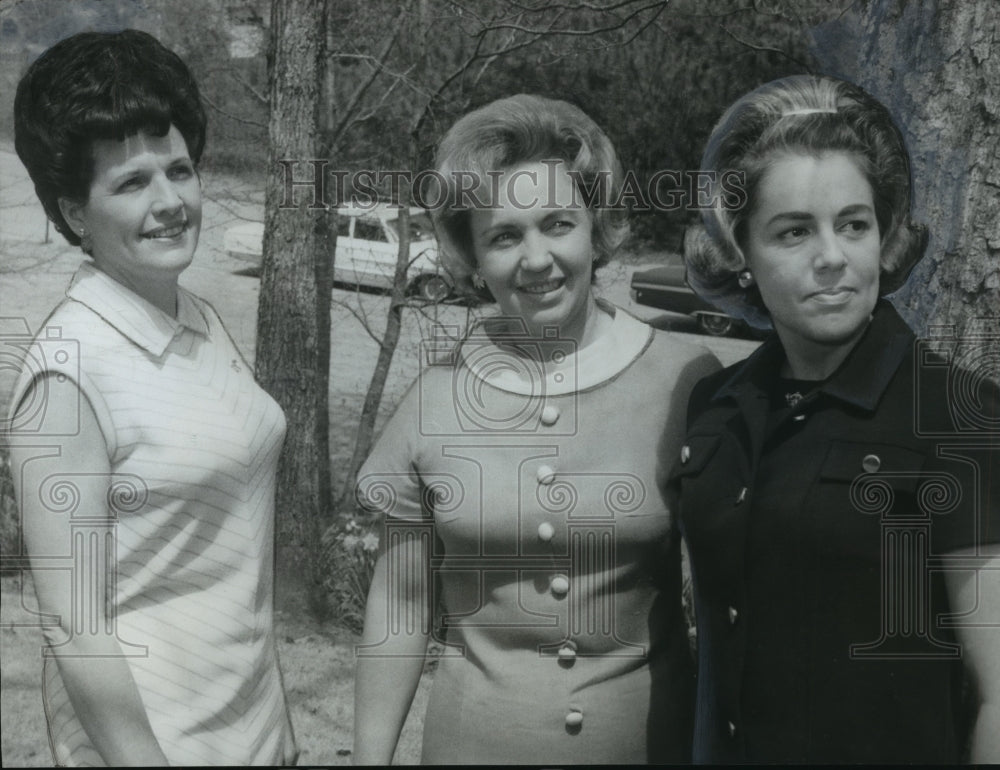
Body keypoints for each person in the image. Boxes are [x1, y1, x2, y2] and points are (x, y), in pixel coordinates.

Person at [352, 93, 719, 764]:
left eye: (557, 223)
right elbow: (401, 605)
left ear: (595, 226)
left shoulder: (686, 379)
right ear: (472, 254)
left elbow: (734, 600)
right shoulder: (435, 400)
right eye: (504, 235)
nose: (536, 258)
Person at [677, 74, 1000, 764]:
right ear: (741, 256)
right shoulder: (717, 407)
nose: (832, 257)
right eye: (793, 231)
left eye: (854, 224)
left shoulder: (958, 415)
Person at [7, 30, 296, 766]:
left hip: (252, 735)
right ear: (75, 213)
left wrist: (278, 729)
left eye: (180, 170)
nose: (171, 202)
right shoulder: (67, 379)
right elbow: (77, 629)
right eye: (132, 183)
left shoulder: (197, 316)